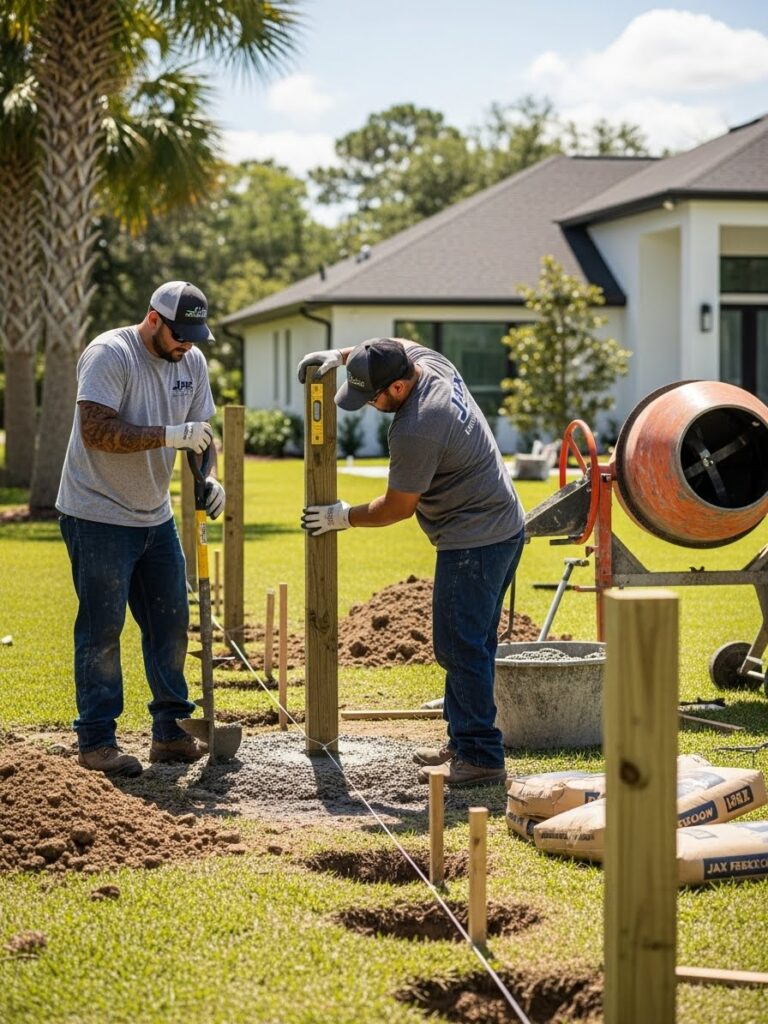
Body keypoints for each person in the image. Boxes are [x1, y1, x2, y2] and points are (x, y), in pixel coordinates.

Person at [297, 338, 525, 787]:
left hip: (475, 540)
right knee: (470, 644)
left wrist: (340, 517)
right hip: (500, 525)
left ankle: (480, 755)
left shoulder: (418, 426)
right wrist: (342, 356)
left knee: (460, 647)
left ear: (399, 388)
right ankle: (463, 742)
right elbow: (397, 343)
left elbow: (396, 507)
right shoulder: (427, 361)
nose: (367, 404)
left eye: (373, 396)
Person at [56, 281, 226, 778]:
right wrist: (171, 436)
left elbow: (203, 436)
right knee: (103, 629)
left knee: (171, 625)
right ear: (153, 319)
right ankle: (97, 741)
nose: (188, 345)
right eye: (179, 334)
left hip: (155, 516)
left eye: (195, 335)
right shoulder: (110, 354)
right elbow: (97, 431)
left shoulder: (191, 363)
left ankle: (170, 733)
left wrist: (206, 477)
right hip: (96, 514)